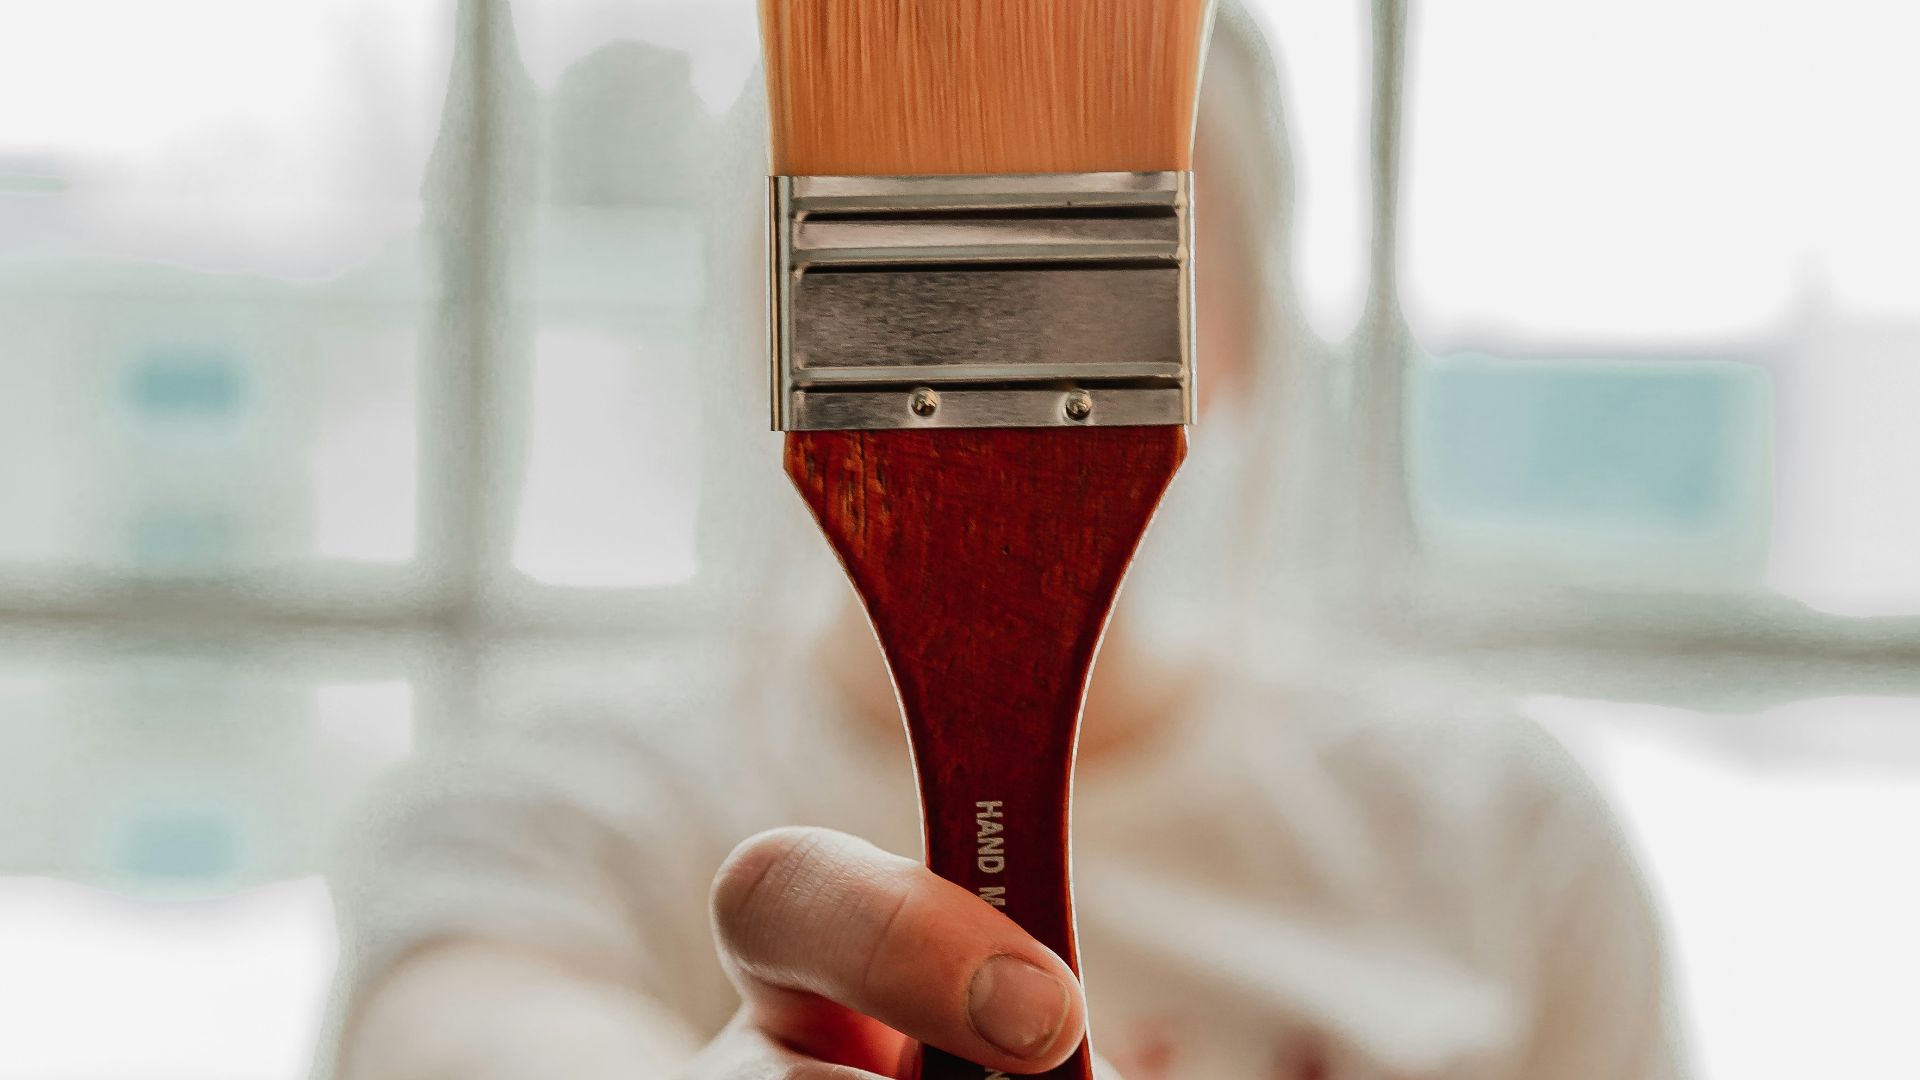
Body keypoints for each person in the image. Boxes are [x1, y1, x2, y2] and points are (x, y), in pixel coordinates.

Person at [322, 5, 1683, 1078]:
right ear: (779, 322)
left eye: (1079, 259)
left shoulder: (1503, 836)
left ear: (1238, 331)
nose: (978, 324)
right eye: (905, 259)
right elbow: (473, 1024)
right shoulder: (555, 815)